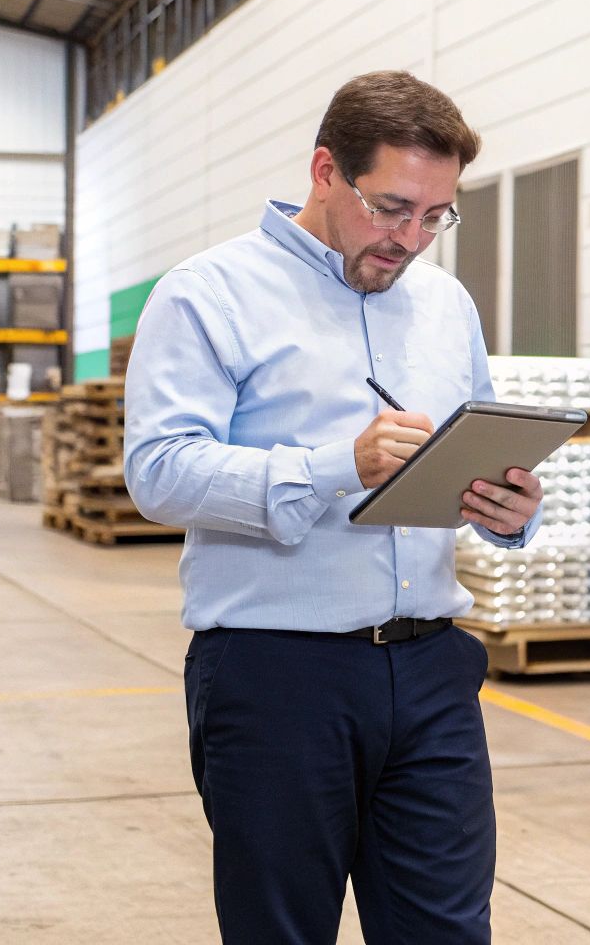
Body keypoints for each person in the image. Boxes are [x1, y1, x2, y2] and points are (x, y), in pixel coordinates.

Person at [125, 70, 542, 944]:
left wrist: (505, 506)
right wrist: (332, 466)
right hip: (277, 678)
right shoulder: (209, 293)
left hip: (432, 674)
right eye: (391, 208)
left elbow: (479, 445)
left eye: (435, 216)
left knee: (447, 930)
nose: (410, 240)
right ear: (324, 170)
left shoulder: (444, 305)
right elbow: (160, 472)